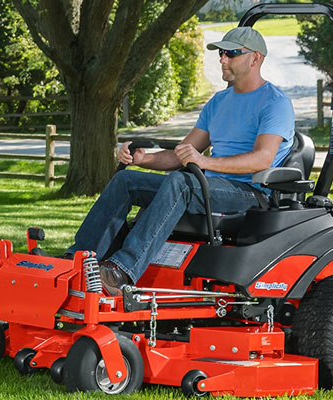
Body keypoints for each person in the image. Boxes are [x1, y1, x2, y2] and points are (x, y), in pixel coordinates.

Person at [65, 27, 295, 295]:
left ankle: (122, 270)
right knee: (126, 180)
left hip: (250, 193)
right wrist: (143, 159)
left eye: (231, 53)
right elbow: (183, 154)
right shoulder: (219, 102)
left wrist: (205, 163)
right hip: (207, 185)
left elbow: (262, 159)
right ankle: (76, 261)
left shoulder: (275, 103)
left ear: (255, 58)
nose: (222, 59)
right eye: (221, 53)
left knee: (180, 183)